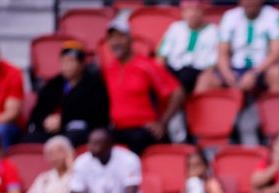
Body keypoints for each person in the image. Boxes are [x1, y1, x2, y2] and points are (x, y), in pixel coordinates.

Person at [103, 15, 185, 156]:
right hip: (117, 129)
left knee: (137, 141)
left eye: (120, 37)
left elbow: (177, 92)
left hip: (143, 129)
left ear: (130, 39)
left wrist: (163, 123)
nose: (116, 42)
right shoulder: (108, 69)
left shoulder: (146, 65)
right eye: (112, 38)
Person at [25, 41, 110, 147]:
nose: (67, 66)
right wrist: (45, 121)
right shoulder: (53, 84)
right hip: (51, 131)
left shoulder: (94, 85)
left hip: (79, 132)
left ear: (82, 64)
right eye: (64, 62)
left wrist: (63, 120)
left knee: (72, 136)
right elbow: (37, 112)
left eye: (71, 61)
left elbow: (95, 115)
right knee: (28, 140)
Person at [217, 0, 279, 94]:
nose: (249, 2)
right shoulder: (229, 16)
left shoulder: (275, 16)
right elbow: (222, 52)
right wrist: (227, 74)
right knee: (208, 80)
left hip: (263, 67)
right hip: (236, 66)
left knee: (275, 74)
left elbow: (277, 53)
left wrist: (254, 73)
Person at [157, 0, 221, 94]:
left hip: (196, 70)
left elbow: (215, 60)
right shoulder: (175, 28)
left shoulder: (214, 31)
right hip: (174, 67)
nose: (192, 14)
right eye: (188, 11)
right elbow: (162, 53)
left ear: (203, 12)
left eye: (196, 10)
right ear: (183, 13)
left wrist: (207, 75)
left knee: (186, 77)